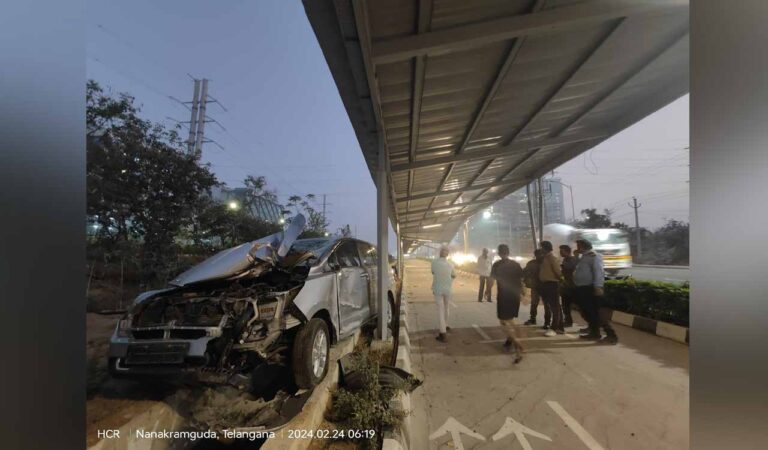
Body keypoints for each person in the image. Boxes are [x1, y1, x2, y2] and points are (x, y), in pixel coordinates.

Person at [574, 239, 618, 344]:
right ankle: (594, 332)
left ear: (583, 246)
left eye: (578, 246)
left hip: (589, 288)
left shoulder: (594, 256)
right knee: (586, 311)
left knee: (595, 312)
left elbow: (598, 272)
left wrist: (598, 286)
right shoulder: (584, 256)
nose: (577, 248)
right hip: (582, 288)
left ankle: (611, 335)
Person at [491, 244, 525, 363]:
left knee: (504, 322)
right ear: (508, 252)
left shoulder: (496, 265)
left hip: (504, 296)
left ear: (499, 253)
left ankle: (517, 345)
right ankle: (510, 341)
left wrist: (487, 290)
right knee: (511, 320)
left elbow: (491, 280)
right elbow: (521, 280)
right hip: (514, 296)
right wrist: (523, 293)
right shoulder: (515, 264)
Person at [538, 241, 564, 337]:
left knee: (555, 307)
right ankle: (560, 327)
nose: (540, 249)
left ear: (545, 248)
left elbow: (558, 272)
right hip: (546, 285)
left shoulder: (552, 258)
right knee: (553, 306)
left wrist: (561, 281)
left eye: (541, 247)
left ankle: (554, 328)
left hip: (552, 284)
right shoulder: (545, 258)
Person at [431, 246, 456, 342]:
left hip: (437, 288)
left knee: (440, 310)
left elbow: (433, 272)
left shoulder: (434, 262)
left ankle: (443, 333)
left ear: (440, 252)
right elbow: (454, 275)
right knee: (446, 307)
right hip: (448, 289)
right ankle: (445, 325)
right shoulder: (451, 264)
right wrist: (450, 280)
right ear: (448, 254)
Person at [523, 249, 550, 327]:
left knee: (540, 304)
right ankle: (545, 322)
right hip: (540, 286)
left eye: (541, 254)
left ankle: (538, 320)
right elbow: (525, 273)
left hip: (541, 286)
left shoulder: (533, 263)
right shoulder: (545, 263)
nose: (540, 256)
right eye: (539, 254)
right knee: (540, 304)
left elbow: (524, 273)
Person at [559, 244, 579, 328]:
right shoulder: (565, 260)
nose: (560, 253)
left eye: (561, 251)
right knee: (565, 305)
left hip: (574, 286)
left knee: (580, 306)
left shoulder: (573, 260)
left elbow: (572, 270)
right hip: (566, 286)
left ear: (567, 251)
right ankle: (568, 321)